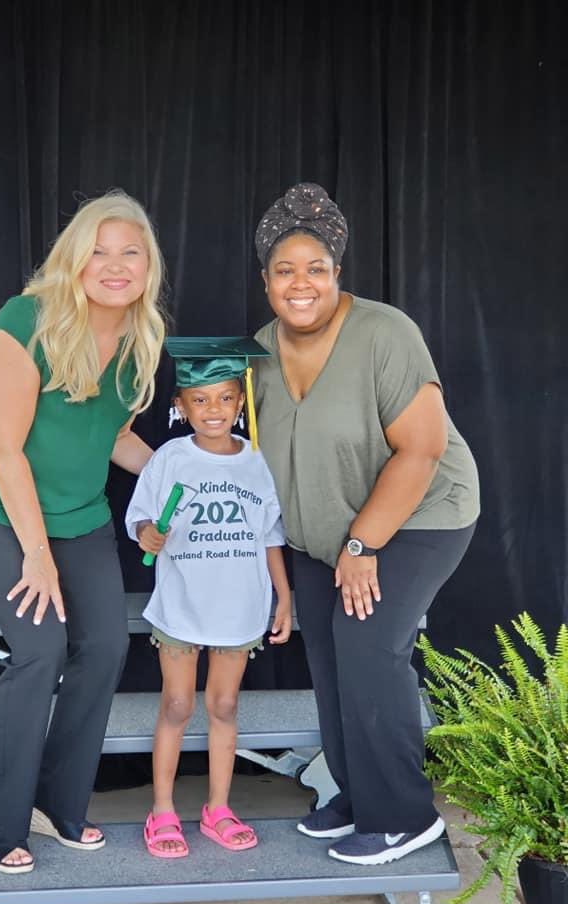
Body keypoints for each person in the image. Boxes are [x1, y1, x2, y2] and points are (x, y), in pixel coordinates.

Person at [251, 183, 480, 866]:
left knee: (368, 643)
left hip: (417, 517)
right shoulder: (258, 350)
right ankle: (356, 795)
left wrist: (363, 543)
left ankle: (404, 815)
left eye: (316, 269)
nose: (301, 284)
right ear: (265, 280)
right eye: (285, 270)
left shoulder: (386, 333)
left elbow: (423, 448)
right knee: (328, 654)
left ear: (337, 275)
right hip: (324, 536)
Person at [0, 190, 166, 873]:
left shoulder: (138, 338)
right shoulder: (27, 320)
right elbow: (5, 450)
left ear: (149, 266)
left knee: (102, 648)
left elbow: (114, 436)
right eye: (98, 251)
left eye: (130, 252)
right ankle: (0, 815)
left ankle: (58, 800)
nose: (115, 265)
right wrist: (36, 556)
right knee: (41, 648)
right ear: (74, 259)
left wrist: (179, 475)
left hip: (77, 509)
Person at [125, 339, 292, 857]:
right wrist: (149, 535)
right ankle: (163, 811)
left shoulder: (259, 463)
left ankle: (218, 808)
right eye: (200, 400)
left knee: (223, 704)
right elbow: (142, 523)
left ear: (241, 404)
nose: (213, 410)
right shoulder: (170, 460)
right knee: (177, 705)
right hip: (183, 606)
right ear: (180, 406)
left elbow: (270, 536)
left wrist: (283, 598)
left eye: (224, 398)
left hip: (239, 607)